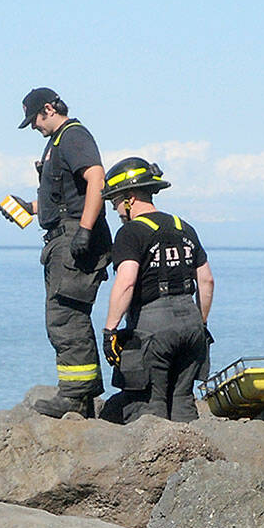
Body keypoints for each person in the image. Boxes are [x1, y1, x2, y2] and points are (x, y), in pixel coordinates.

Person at [4, 87, 111, 418]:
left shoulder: (73, 136)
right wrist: (31, 208)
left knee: (65, 316)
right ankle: (84, 393)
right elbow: (64, 198)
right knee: (67, 315)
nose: (33, 126)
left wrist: (85, 230)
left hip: (73, 238)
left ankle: (74, 396)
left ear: (49, 109)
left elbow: (96, 179)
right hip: (62, 235)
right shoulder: (56, 144)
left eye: (34, 119)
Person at [97, 157, 213, 423]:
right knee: (183, 402)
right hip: (192, 327)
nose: (116, 210)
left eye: (115, 202)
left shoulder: (131, 233)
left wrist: (110, 330)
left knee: (149, 406)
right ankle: (192, 459)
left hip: (154, 328)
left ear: (129, 198)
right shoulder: (184, 228)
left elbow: (126, 282)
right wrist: (201, 323)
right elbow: (206, 281)